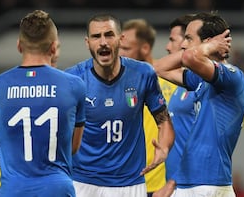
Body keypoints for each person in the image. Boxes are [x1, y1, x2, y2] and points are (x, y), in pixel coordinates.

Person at [65, 13, 174, 197]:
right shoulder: (73, 79)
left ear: (120, 39)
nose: (103, 42)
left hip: (130, 184)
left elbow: (163, 121)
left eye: (109, 35)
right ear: (87, 42)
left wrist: (163, 147)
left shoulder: (143, 74)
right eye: (96, 36)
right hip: (83, 182)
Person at [0, 9, 86, 197]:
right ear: (54, 47)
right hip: (57, 188)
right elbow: (73, 147)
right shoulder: (74, 86)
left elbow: (0, 140)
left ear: (19, 46)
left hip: (14, 189)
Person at [153, 11, 244, 197]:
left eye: (188, 38)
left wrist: (208, 48)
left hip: (211, 185)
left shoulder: (232, 77)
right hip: (188, 184)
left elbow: (188, 58)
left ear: (209, 42)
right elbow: (158, 68)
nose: (183, 44)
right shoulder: (199, 80)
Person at [119, 18, 177, 197]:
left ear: (144, 48)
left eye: (126, 48)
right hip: (126, 182)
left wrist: (174, 180)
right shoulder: (121, 83)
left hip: (160, 184)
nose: (118, 53)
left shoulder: (172, 80)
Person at [163, 14, 196, 181]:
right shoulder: (182, 84)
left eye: (172, 40)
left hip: (193, 183)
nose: (168, 47)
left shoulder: (203, 83)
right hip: (175, 183)